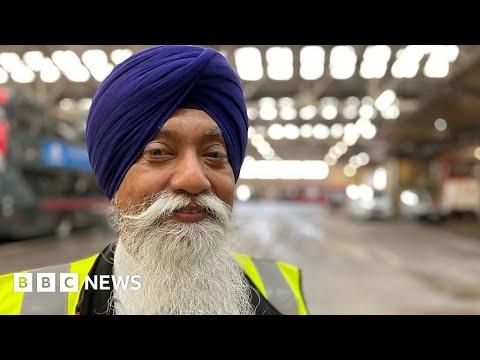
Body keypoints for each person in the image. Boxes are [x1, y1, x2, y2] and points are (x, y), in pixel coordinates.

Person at [0, 45, 309, 315]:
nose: (194, 179)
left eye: (214, 155)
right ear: (113, 175)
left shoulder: (281, 290)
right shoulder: (20, 300)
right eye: (159, 152)